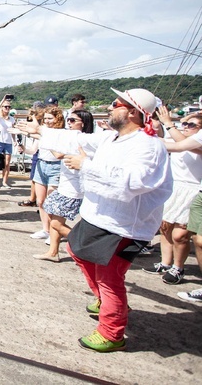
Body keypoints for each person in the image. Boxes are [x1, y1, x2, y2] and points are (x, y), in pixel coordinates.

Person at [19, 87, 172, 352]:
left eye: (116, 103)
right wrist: (41, 131)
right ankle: (107, 301)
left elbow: (133, 182)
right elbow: (80, 140)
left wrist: (86, 166)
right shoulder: (112, 138)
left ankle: (112, 332)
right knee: (77, 250)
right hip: (99, 216)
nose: (111, 107)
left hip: (122, 224)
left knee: (109, 276)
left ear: (133, 113)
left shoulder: (149, 146)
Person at [141, 108, 202, 284]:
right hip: (174, 186)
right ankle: (165, 262)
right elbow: (160, 140)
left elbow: (180, 144)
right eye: (184, 124)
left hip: (191, 189)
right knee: (165, 227)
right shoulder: (178, 137)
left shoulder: (194, 143)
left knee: (180, 235)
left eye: (191, 125)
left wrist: (169, 124)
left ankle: (178, 267)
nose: (185, 127)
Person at [32, 110, 94, 261]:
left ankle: (87, 248)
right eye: (69, 120)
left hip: (73, 190)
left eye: (73, 120)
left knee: (55, 223)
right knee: (53, 216)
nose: (69, 123)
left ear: (83, 123)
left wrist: (44, 137)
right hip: (65, 186)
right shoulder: (71, 137)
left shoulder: (83, 140)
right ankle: (53, 252)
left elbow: (58, 154)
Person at [30, 107, 66, 240]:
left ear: (58, 119)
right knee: (41, 201)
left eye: (50, 118)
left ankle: (55, 231)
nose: (47, 121)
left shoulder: (62, 133)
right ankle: (46, 229)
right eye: (45, 118)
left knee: (53, 202)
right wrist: (22, 148)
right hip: (41, 164)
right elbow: (33, 149)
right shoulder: (42, 133)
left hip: (56, 167)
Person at [0, 96, 16, 188]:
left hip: (8, 142)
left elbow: (13, 131)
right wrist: (3, 100)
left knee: (7, 163)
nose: (7, 108)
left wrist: (15, 141)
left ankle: (5, 181)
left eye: (9, 107)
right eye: (5, 106)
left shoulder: (11, 119)